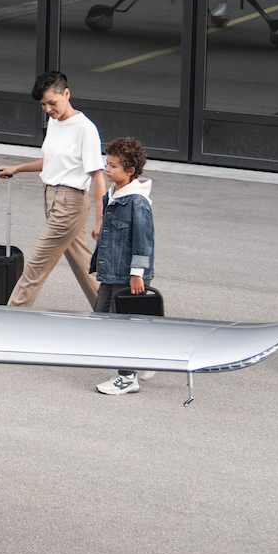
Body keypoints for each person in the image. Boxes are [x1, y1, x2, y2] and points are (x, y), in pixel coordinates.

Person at [0, 71, 104, 310]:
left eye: (52, 102)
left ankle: (9, 319)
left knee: (36, 265)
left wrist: (100, 218)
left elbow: (97, 174)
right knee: (85, 265)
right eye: (43, 105)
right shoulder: (54, 122)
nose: (48, 109)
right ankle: (114, 312)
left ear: (66, 94)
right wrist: (17, 168)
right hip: (51, 198)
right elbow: (52, 161)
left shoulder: (85, 128)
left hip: (70, 204)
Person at [91, 136, 156, 397]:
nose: (107, 169)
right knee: (103, 319)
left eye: (113, 166)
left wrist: (137, 274)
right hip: (111, 273)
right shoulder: (113, 194)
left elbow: (143, 240)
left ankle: (127, 378)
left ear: (130, 171)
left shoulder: (137, 202)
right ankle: (146, 358)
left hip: (127, 276)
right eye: (107, 163)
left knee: (119, 327)